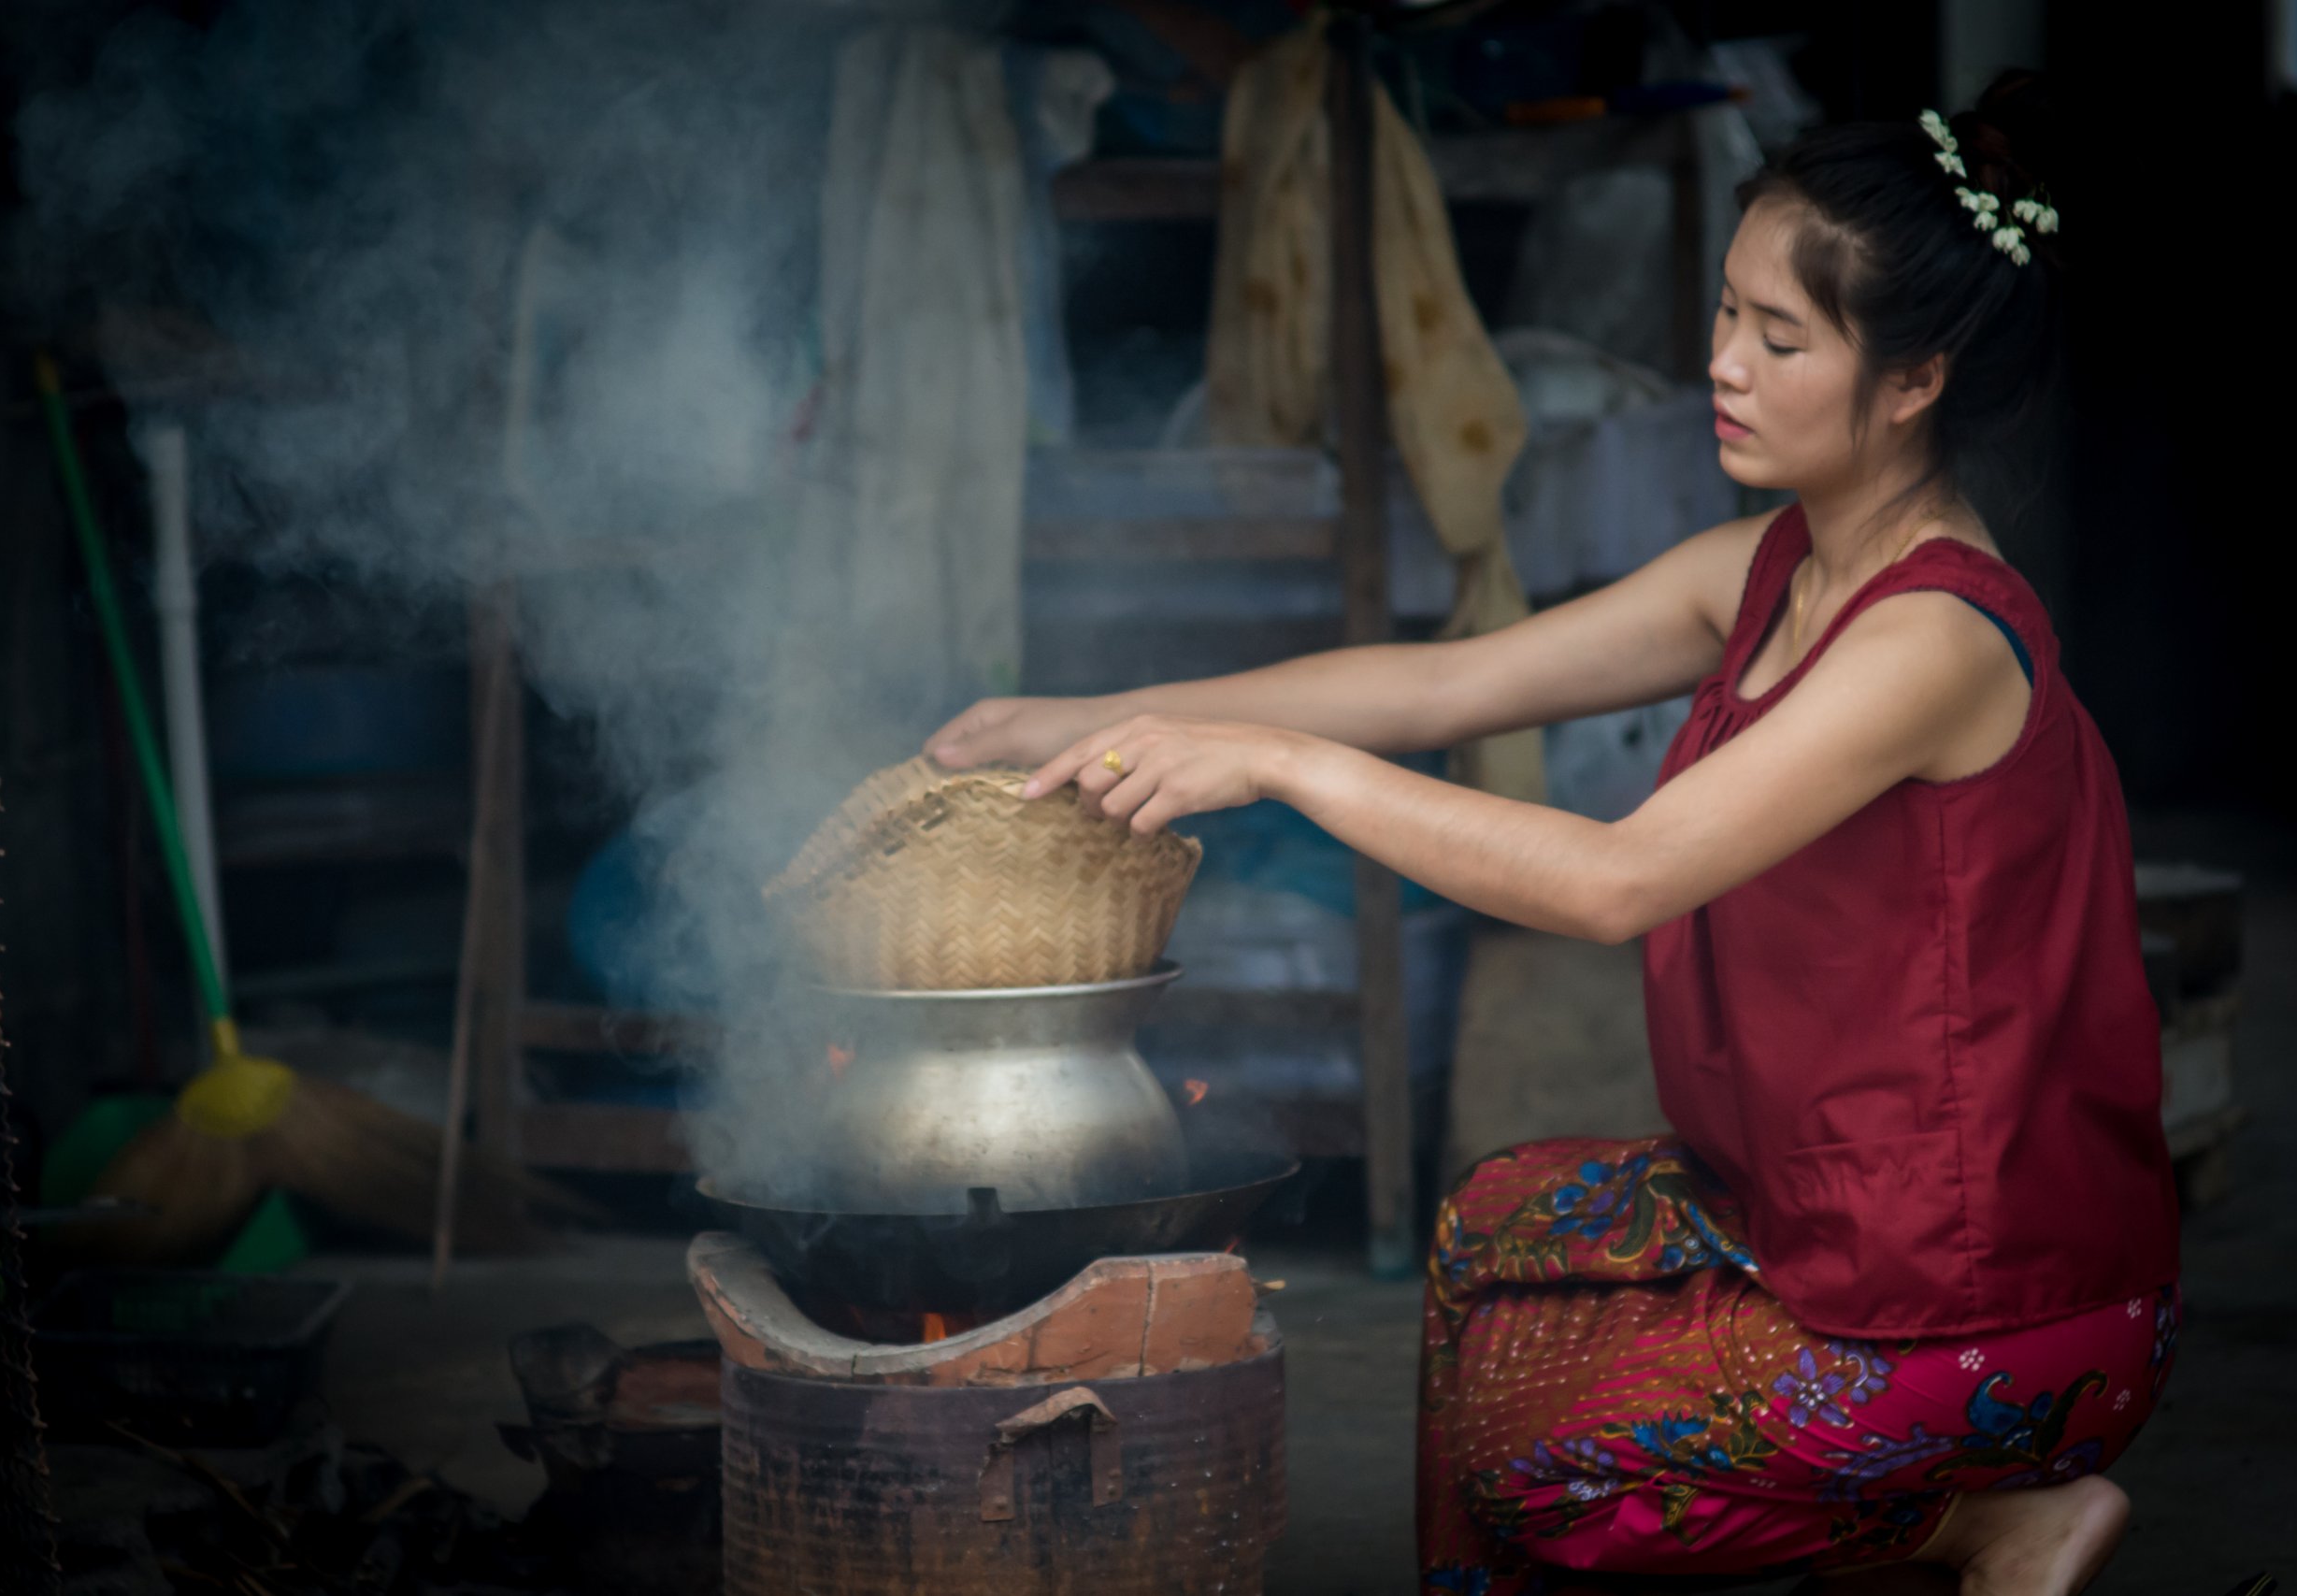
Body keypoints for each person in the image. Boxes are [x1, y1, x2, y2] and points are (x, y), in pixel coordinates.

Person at [925, 74, 2178, 1595]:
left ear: (1912, 380)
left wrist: (1278, 766)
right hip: (1815, 1204)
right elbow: (1446, 678)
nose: (1720, 364)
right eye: (1726, 313)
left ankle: (1988, 1519)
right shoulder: (1767, 567)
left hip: (1989, 1304)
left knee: (1540, 1460)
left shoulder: (1935, 641)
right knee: (1492, 1223)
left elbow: (1613, 879)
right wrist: (1093, 714)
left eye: (1780, 340)